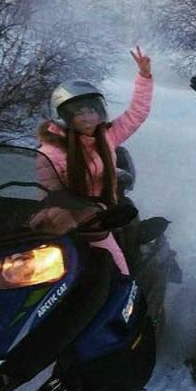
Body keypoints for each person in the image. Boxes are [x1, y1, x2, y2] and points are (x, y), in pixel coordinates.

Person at [34, 47, 154, 277]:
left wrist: (144, 77)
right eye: (79, 112)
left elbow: (136, 114)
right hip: (64, 222)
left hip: (98, 223)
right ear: (65, 116)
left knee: (119, 272)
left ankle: (131, 308)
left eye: (92, 110)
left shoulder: (106, 137)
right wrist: (66, 216)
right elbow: (48, 192)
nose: (88, 117)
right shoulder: (51, 150)